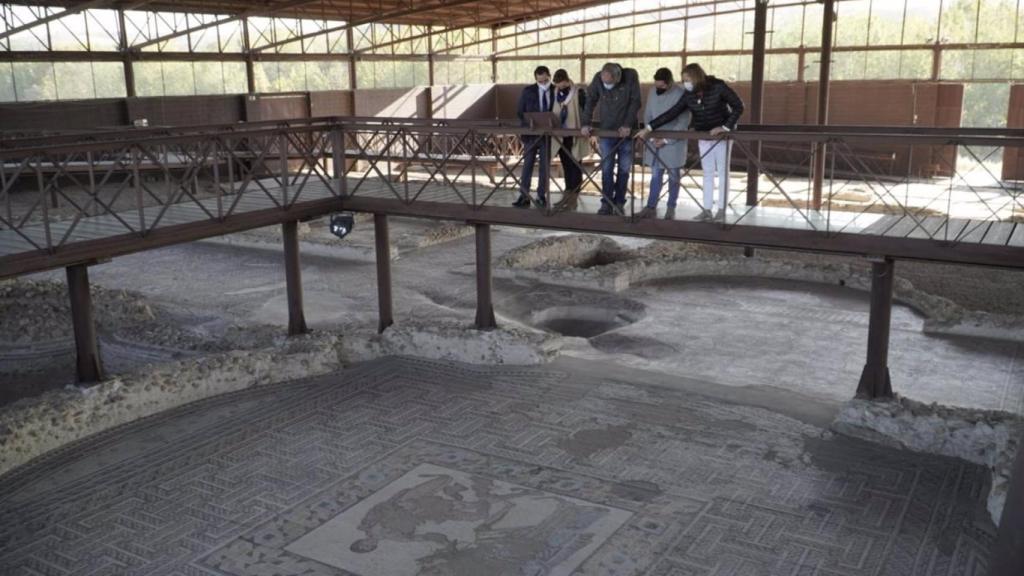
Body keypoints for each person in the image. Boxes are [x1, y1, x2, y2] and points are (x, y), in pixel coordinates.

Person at [636, 63, 743, 222]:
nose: (685, 83)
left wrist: (725, 127)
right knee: (707, 173)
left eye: (687, 79)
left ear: (696, 77)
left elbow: (738, 106)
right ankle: (707, 210)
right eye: (683, 80)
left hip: (722, 136)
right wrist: (649, 128)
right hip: (703, 134)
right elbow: (672, 113)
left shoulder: (718, 86)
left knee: (722, 172)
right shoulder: (689, 94)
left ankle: (721, 210)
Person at [581, 62, 642, 215]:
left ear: (617, 78)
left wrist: (628, 124)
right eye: (604, 82)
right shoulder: (598, 78)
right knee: (606, 168)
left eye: (609, 82)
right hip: (607, 131)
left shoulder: (630, 76)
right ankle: (606, 203)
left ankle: (619, 202)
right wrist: (585, 123)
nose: (606, 85)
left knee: (624, 168)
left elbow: (636, 102)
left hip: (626, 133)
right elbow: (590, 100)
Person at [639, 68, 689, 221]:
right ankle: (651, 206)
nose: (658, 89)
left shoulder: (681, 94)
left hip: (673, 144)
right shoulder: (652, 91)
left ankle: (671, 208)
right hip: (654, 140)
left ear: (669, 83)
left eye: (661, 86)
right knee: (655, 175)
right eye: (656, 85)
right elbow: (648, 114)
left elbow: (684, 121)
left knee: (673, 176)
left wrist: (667, 140)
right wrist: (652, 137)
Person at [514, 65, 556, 208]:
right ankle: (524, 196)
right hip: (530, 135)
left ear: (549, 77)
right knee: (527, 165)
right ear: (536, 79)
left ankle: (541, 196)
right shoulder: (528, 91)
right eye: (540, 82)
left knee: (545, 166)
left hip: (547, 135)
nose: (543, 84)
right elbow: (520, 111)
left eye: (545, 81)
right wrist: (529, 123)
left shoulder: (556, 90)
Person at [550, 69, 589, 212]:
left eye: (560, 84)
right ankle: (566, 194)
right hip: (561, 135)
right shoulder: (555, 93)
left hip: (575, 134)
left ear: (566, 80)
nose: (559, 87)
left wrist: (585, 126)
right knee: (566, 165)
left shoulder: (578, 92)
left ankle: (573, 198)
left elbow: (586, 111)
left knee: (575, 165)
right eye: (557, 85)